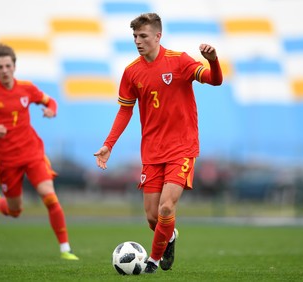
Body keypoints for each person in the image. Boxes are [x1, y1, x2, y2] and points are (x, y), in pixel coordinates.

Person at [94, 13, 222, 274]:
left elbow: (214, 80)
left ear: (157, 36)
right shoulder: (131, 72)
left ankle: (152, 261)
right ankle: (170, 236)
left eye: (143, 36)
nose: (138, 41)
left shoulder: (179, 60)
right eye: (135, 37)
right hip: (152, 151)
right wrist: (109, 144)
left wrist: (213, 61)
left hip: (182, 148)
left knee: (166, 206)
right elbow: (125, 111)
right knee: (154, 217)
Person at [0, 43, 79, 261]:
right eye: (0, 67)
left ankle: (65, 249)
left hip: (33, 153)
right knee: (16, 211)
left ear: (14, 66)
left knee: (50, 197)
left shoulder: (27, 88)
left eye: (8, 65)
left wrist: (51, 110)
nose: (4, 70)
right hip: (7, 160)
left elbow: (50, 101)